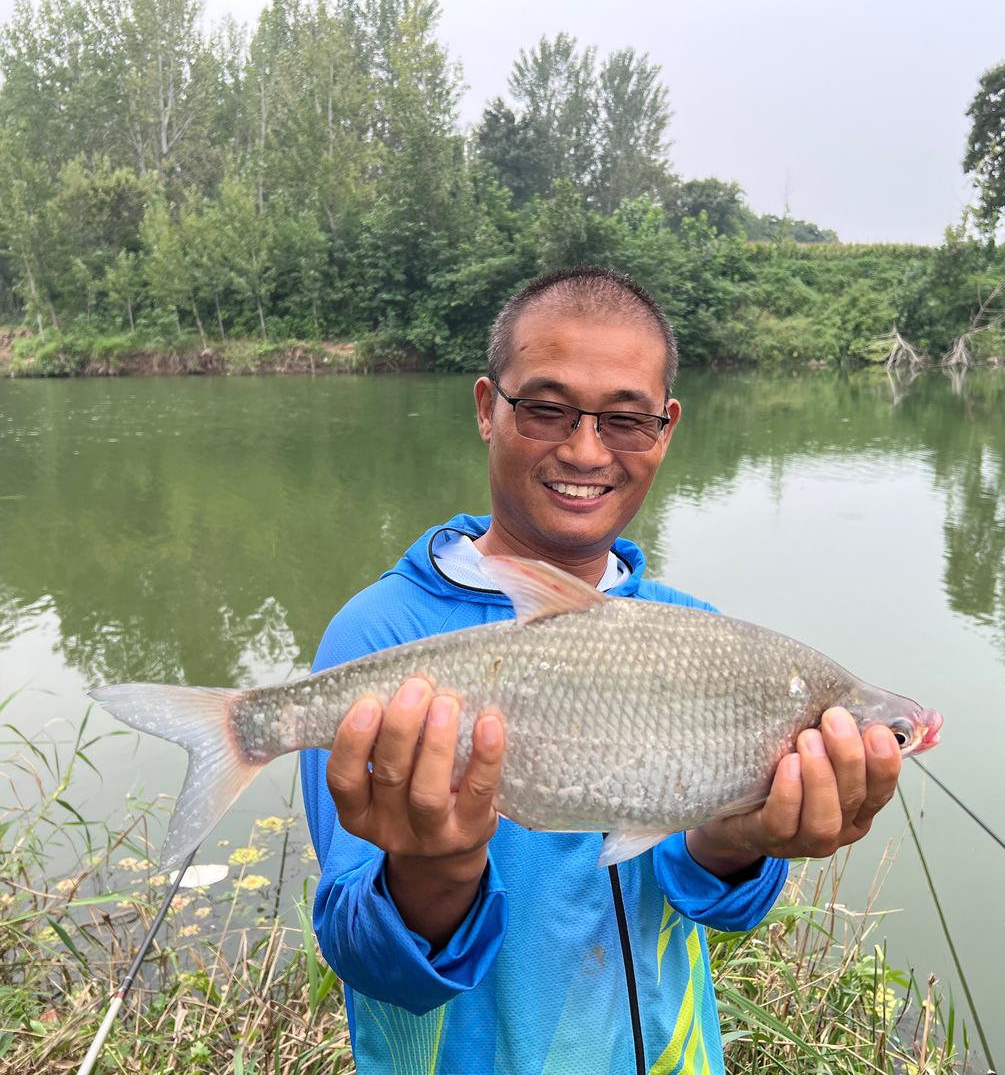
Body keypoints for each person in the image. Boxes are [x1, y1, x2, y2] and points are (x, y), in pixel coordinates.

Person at [301, 265, 903, 1074]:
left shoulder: (695, 631)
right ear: (487, 407)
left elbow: (702, 895)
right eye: (546, 409)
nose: (585, 451)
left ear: (667, 426)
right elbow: (367, 959)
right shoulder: (379, 636)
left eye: (626, 421)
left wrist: (744, 840)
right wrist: (434, 869)